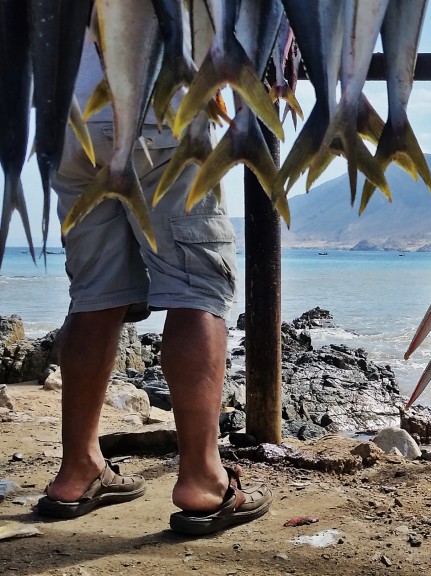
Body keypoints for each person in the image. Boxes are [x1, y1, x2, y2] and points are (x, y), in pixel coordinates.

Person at [33, 42, 272, 535]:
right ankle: (203, 480)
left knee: (94, 294)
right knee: (197, 288)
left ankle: (78, 469)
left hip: (67, 115)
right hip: (156, 108)